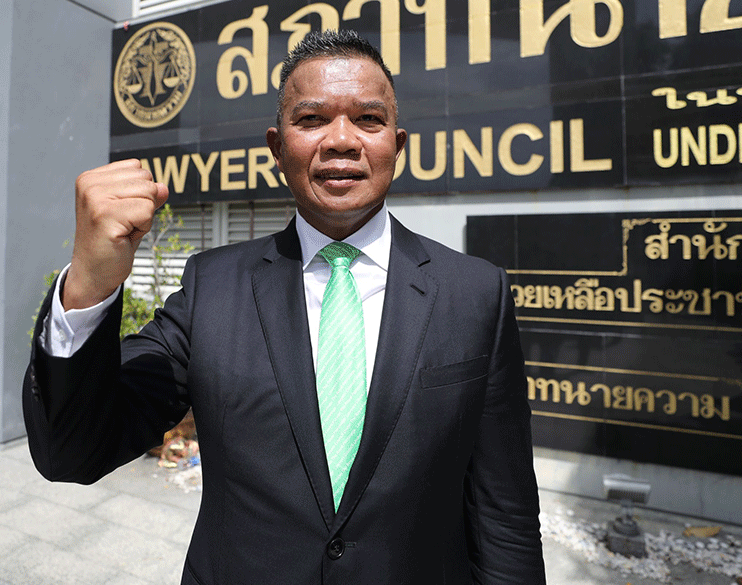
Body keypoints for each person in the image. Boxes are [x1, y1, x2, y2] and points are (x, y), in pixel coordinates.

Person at [23, 30, 547, 585]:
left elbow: (505, 514)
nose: (341, 140)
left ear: (397, 145)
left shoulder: (475, 293)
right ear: (277, 148)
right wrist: (90, 283)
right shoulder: (211, 288)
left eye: (368, 119)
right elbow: (72, 452)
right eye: (312, 119)